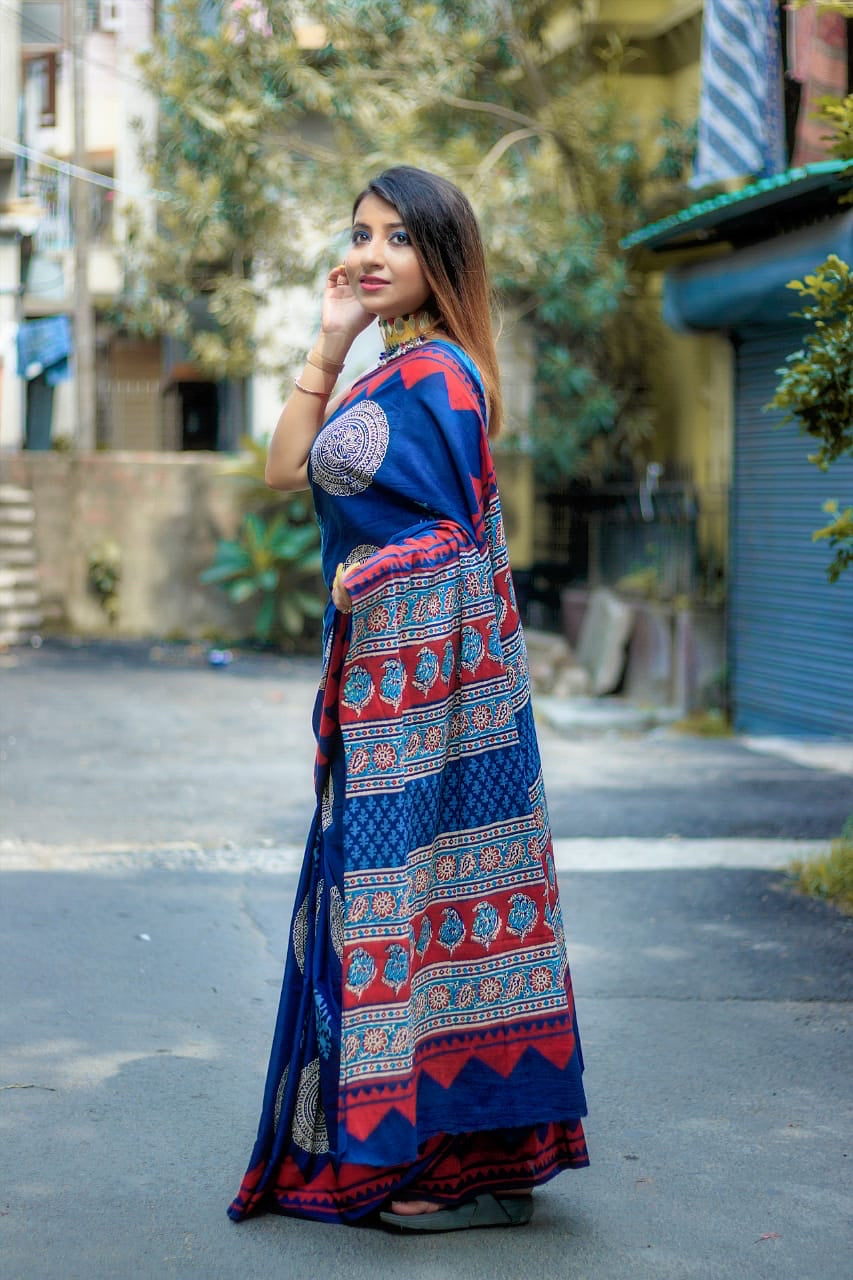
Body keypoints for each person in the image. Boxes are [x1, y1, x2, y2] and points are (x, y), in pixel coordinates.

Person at [227, 165, 588, 1233]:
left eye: (397, 235)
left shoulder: (445, 378)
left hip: (433, 697)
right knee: (415, 908)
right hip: (392, 685)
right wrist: (331, 335)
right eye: (359, 233)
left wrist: (368, 575)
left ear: (442, 253)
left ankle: (450, 1160)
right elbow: (283, 466)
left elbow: (447, 536)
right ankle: (476, 1157)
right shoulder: (388, 369)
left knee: (420, 907)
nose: (371, 251)